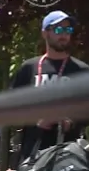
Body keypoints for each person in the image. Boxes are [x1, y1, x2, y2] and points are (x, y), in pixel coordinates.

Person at [11, 10, 89, 162]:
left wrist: (71, 122)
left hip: (69, 158)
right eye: (58, 29)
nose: (64, 35)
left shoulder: (82, 70)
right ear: (45, 33)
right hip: (32, 156)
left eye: (68, 30)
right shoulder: (29, 68)